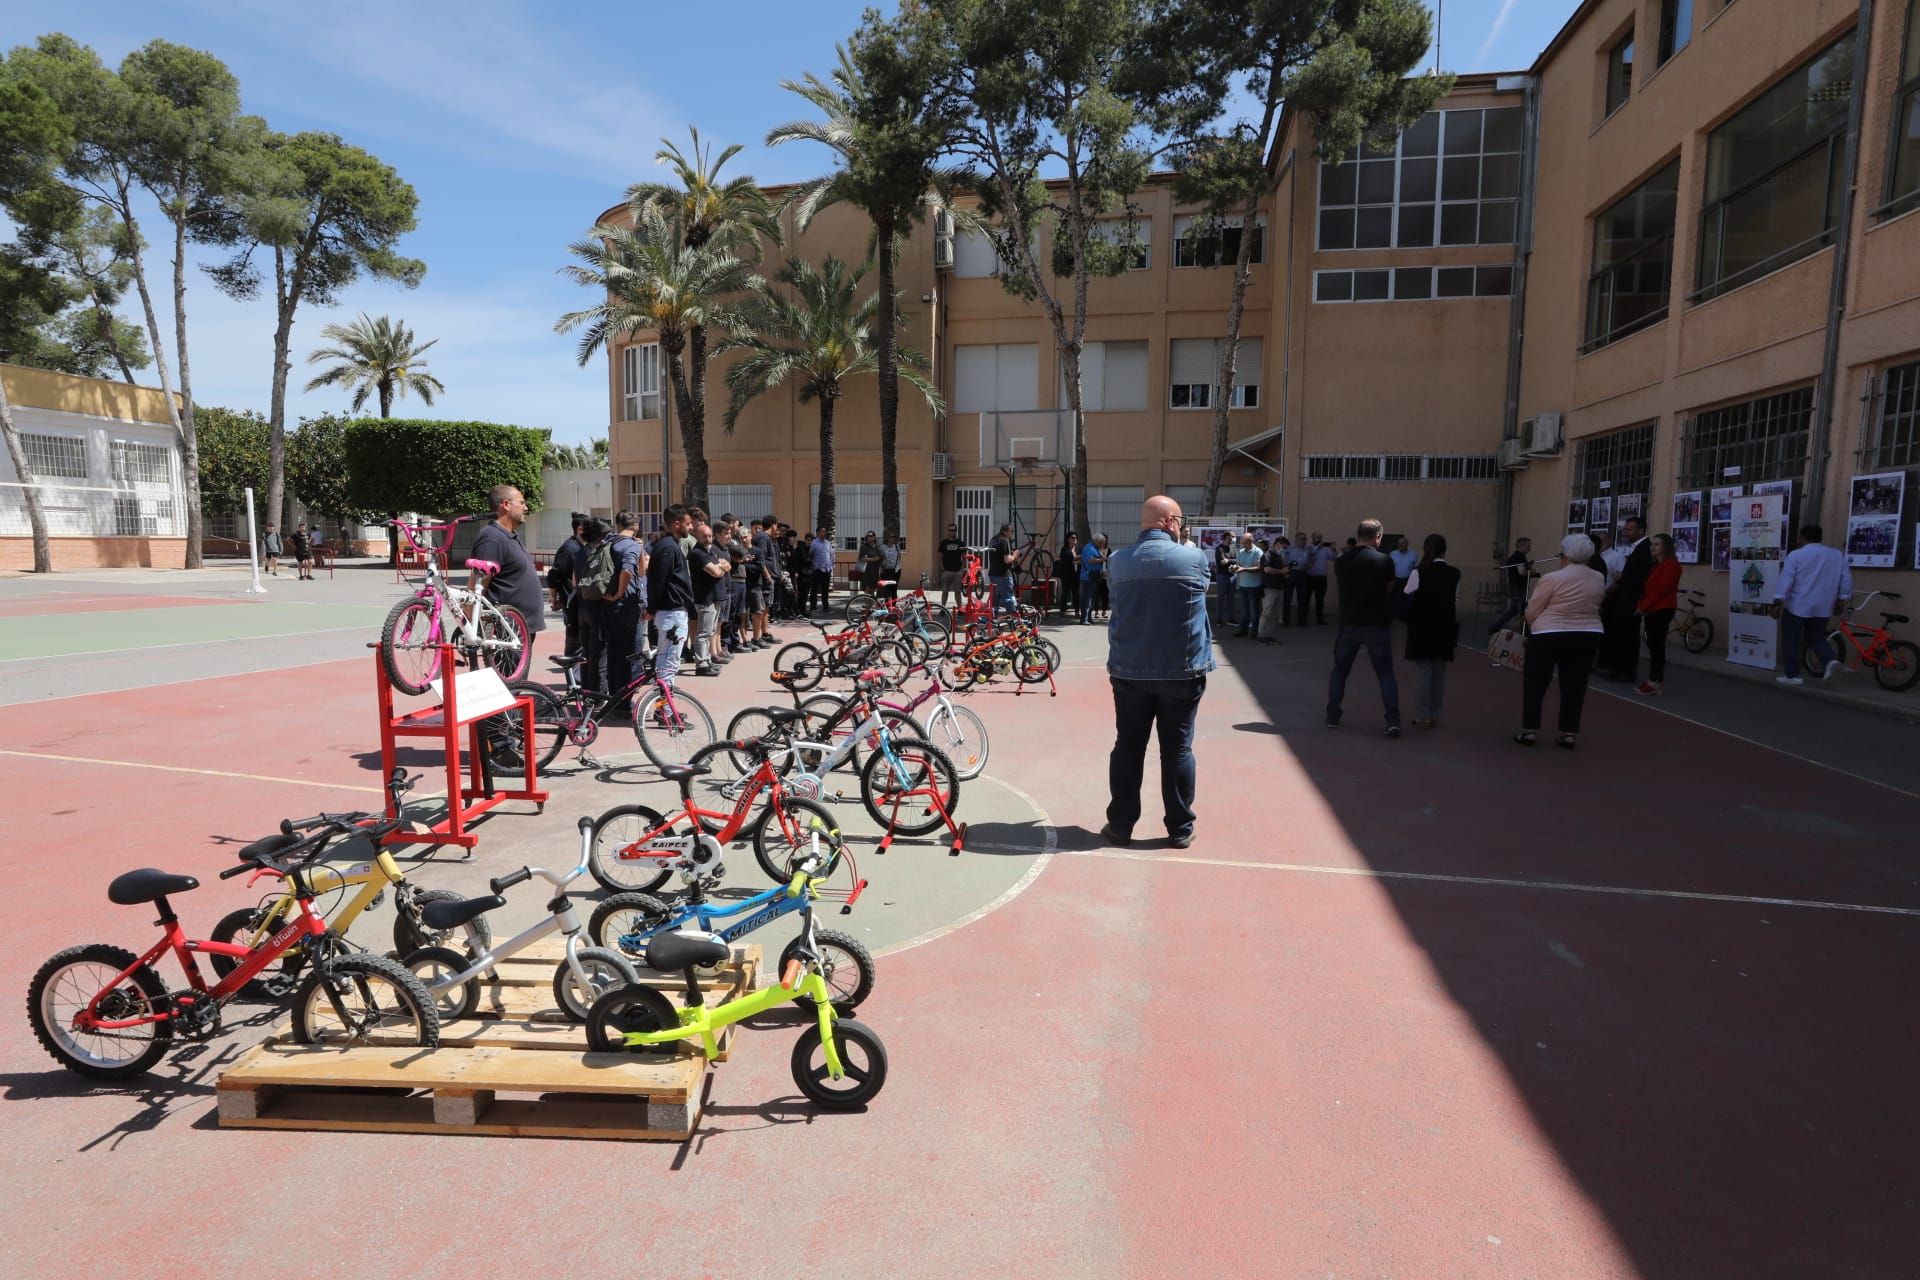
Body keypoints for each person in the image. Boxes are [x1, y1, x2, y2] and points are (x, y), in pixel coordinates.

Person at [1103, 496, 1213, 849]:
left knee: (1128, 747)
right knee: (1178, 750)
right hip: (1180, 670)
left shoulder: (1117, 562)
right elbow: (1204, 588)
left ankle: (1120, 825)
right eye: (1179, 519)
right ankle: (1180, 828)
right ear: (1168, 521)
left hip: (1130, 670)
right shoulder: (1193, 558)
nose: (1181, 525)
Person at [1517, 533, 1607, 748]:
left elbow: (1533, 610)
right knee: (1575, 685)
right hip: (1587, 633)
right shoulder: (1598, 577)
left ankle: (1529, 730)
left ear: (1566, 554)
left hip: (1549, 633)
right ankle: (1568, 733)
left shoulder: (1553, 578)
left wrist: (1531, 627)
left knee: (1536, 683)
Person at [1325, 519, 1402, 735]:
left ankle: (1333, 715)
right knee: (1385, 673)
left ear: (1358, 534)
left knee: (1340, 670)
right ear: (1377, 537)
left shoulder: (1341, 561)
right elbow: (1389, 588)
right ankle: (1393, 720)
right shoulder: (1385, 561)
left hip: (1349, 622)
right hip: (1376, 623)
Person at [1774, 523, 1852, 685]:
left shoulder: (1796, 555)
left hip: (1798, 605)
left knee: (1791, 638)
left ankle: (1792, 675)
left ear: (1802, 537)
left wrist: (1777, 600)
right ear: (1820, 537)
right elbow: (1846, 579)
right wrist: (1841, 599)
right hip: (1823, 606)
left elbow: (1786, 580)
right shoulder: (1837, 555)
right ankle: (1830, 661)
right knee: (1816, 636)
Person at [1402, 534, 1459, 728]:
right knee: (1439, 673)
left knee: (1424, 673)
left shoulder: (1419, 572)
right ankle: (1435, 713)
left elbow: (1407, 595)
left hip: (1422, 627)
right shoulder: (1454, 573)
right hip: (1445, 627)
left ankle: (1422, 714)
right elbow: (1454, 598)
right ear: (1444, 550)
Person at [600, 511, 647, 714]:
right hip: (625, 605)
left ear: (617, 524)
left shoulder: (607, 542)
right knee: (628, 655)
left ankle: (613, 697)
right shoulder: (631, 546)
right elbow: (630, 570)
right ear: (636, 526)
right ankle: (623, 702)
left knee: (613, 653)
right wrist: (620, 593)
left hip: (607, 605)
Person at [646, 505, 696, 693]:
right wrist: (651, 609)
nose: (691, 528)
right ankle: (666, 712)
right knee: (669, 663)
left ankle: (663, 707)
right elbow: (659, 581)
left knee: (665, 661)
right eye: (688, 524)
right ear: (676, 524)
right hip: (671, 614)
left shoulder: (669, 546)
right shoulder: (668, 547)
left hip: (672, 613)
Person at [1602, 518, 1652, 682]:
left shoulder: (1645, 549)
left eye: (1629, 530)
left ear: (1641, 530)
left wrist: (1623, 577)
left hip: (1632, 600)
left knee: (1629, 637)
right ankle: (1618, 668)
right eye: (1624, 529)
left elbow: (1643, 577)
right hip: (1624, 599)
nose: (1625, 533)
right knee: (1620, 634)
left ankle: (1627, 671)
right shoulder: (1636, 548)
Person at [1636, 533, 1682, 695]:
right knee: (1653, 645)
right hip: (1653, 609)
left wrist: (1642, 607)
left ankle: (1655, 682)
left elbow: (1661, 590)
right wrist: (1643, 605)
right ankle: (1655, 680)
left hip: (1662, 609)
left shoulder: (1671, 565)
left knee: (1657, 647)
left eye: (1657, 544)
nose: (1653, 547)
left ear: (1666, 547)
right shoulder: (1656, 565)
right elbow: (1648, 589)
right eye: (1652, 544)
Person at [548, 512, 588, 658]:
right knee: (574, 641)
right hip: (572, 602)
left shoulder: (581, 547)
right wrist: (554, 597)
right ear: (580, 529)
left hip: (581, 602)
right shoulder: (569, 548)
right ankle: (573, 676)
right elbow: (554, 574)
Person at [1489, 538, 1535, 635]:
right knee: (1520, 610)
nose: (1530, 548)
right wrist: (1532, 572)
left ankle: (1496, 627)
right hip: (1519, 588)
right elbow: (1521, 572)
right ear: (1521, 546)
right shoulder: (1519, 557)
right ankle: (1524, 632)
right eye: (1528, 546)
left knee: (1516, 610)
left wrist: (1528, 567)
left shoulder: (1513, 557)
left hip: (1515, 587)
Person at [1258, 535, 1291, 642]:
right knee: (1267, 612)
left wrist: (1285, 573)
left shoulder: (1279, 556)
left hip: (1279, 587)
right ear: (1278, 545)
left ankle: (1269, 635)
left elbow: (1279, 570)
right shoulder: (1267, 555)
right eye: (1283, 547)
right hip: (1270, 588)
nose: (1284, 550)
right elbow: (1267, 569)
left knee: (1276, 613)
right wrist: (1281, 572)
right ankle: (1261, 635)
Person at [1297, 532, 1334, 625]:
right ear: (1313, 538)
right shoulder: (1309, 548)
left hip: (1321, 578)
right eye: (1317, 537)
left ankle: (1320, 620)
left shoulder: (1326, 549)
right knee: (1306, 599)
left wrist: (1333, 550)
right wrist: (1317, 547)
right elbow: (1310, 555)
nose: (1319, 539)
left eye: (1320, 537)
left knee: (1320, 600)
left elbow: (1333, 558)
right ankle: (1303, 620)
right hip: (1310, 577)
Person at [1233, 532, 1265, 637]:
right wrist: (1234, 568)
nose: (1242, 544)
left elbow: (1258, 568)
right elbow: (1239, 565)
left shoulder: (1258, 552)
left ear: (1251, 542)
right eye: (1242, 542)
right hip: (1243, 585)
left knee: (1254, 612)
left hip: (1254, 587)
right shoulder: (1241, 552)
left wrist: (1244, 569)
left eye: (1245, 542)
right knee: (1244, 611)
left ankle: (1255, 633)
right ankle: (1244, 630)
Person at [936, 524, 968, 608]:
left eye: (953, 530)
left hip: (957, 572)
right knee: (945, 591)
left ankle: (960, 608)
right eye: (950, 530)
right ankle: (943, 608)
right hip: (946, 571)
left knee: (957, 592)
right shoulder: (943, 543)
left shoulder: (960, 543)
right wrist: (942, 568)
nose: (951, 532)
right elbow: (939, 556)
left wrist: (962, 569)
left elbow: (964, 557)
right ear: (948, 531)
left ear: (956, 531)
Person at [988, 524, 1017, 613]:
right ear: (1005, 531)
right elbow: (1007, 560)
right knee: (1008, 598)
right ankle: (1014, 620)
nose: (1012, 534)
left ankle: (992, 619)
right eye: (1011, 531)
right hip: (1003, 574)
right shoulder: (1004, 540)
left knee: (995, 599)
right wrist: (1015, 555)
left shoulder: (993, 539)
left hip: (993, 573)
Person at [1079, 533, 1107, 625]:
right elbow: (1090, 560)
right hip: (1087, 577)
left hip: (1094, 576)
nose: (1102, 544)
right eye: (1102, 542)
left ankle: (1089, 617)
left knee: (1092, 598)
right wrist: (1101, 560)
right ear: (1097, 541)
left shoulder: (1095, 548)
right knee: (1087, 598)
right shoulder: (1088, 548)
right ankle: (1084, 619)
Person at [808, 527, 836, 614]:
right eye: (822, 531)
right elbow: (810, 555)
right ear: (818, 533)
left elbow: (832, 555)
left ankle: (826, 607)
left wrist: (831, 566)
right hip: (817, 569)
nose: (824, 533)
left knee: (825, 590)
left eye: (825, 531)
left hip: (827, 570)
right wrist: (814, 566)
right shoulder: (814, 543)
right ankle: (813, 607)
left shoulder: (828, 543)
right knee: (814, 589)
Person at [1056, 532, 1081, 620]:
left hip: (1076, 574)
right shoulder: (1064, 549)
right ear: (1068, 539)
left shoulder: (1078, 549)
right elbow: (1067, 558)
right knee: (1065, 592)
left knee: (1076, 593)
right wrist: (1077, 558)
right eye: (1073, 538)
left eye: (1075, 538)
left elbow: (1081, 560)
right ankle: (1062, 611)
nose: (1074, 540)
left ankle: (1077, 612)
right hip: (1066, 574)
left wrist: (1077, 560)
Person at [1211, 536, 1236, 625]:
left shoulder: (1233, 547)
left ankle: (1231, 619)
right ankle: (1219, 620)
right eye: (1232, 537)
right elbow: (1222, 562)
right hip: (1222, 576)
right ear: (1226, 538)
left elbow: (1236, 560)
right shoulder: (1219, 548)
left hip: (1232, 576)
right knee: (1220, 598)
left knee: (1231, 599)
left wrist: (1228, 560)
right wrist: (1231, 561)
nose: (1233, 538)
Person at [1388, 534, 1419, 605]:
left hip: (1407, 580)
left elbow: (1415, 568)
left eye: (1402, 543)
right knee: (1395, 599)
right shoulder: (1393, 554)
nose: (1400, 545)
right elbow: (1390, 567)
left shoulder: (1413, 554)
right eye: (1399, 544)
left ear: (1407, 544)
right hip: (1396, 581)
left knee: (1406, 599)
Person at [878, 533, 902, 601]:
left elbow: (899, 558)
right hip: (886, 571)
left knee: (894, 589)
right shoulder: (882, 547)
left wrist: (897, 568)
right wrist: (881, 569)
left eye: (894, 537)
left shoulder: (897, 546)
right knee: (886, 589)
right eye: (890, 537)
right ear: (887, 538)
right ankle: (887, 606)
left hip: (896, 571)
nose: (892, 538)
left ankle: (893, 607)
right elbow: (880, 558)